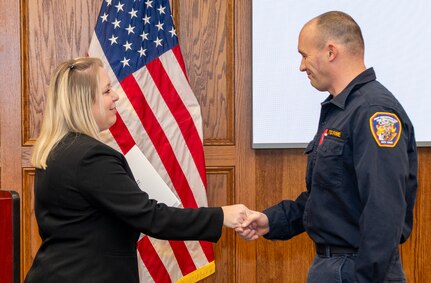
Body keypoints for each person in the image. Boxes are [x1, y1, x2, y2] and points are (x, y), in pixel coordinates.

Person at [24, 57, 249, 283]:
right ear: (84, 102)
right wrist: (221, 216)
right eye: (106, 91)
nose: (116, 96)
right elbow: (152, 217)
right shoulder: (91, 157)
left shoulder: (53, 151)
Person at [238, 11, 418, 283]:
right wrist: (271, 220)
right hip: (334, 266)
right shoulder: (341, 110)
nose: (301, 66)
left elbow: (384, 210)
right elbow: (328, 198)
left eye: (304, 55)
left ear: (331, 51)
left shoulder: (373, 111)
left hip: (358, 270)